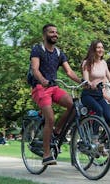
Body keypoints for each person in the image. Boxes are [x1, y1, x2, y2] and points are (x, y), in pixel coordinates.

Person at [30, 23, 81, 165]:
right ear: (45, 35)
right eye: (51, 32)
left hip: (54, 88)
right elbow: (35, 69)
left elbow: (69, 72)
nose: (55, 34)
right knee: (50, 118)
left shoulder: (59, 53)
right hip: (40, 87)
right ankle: (46, 155)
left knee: (73, 105)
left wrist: (83, 81)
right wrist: (43, 80)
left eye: (56, 32)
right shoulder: (37, 49)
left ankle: (58, 130)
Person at [81, 40, 110, 136]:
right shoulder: (87, 63)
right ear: (93, 49)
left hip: (99, 95)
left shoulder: (104, 63)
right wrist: (89, 83)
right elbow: (85, 79)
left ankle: (105, 141)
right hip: (88, 94)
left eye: (102, 47)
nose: (101, 49)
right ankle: (94, 137)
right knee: (99, 110)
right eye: (98, 47)